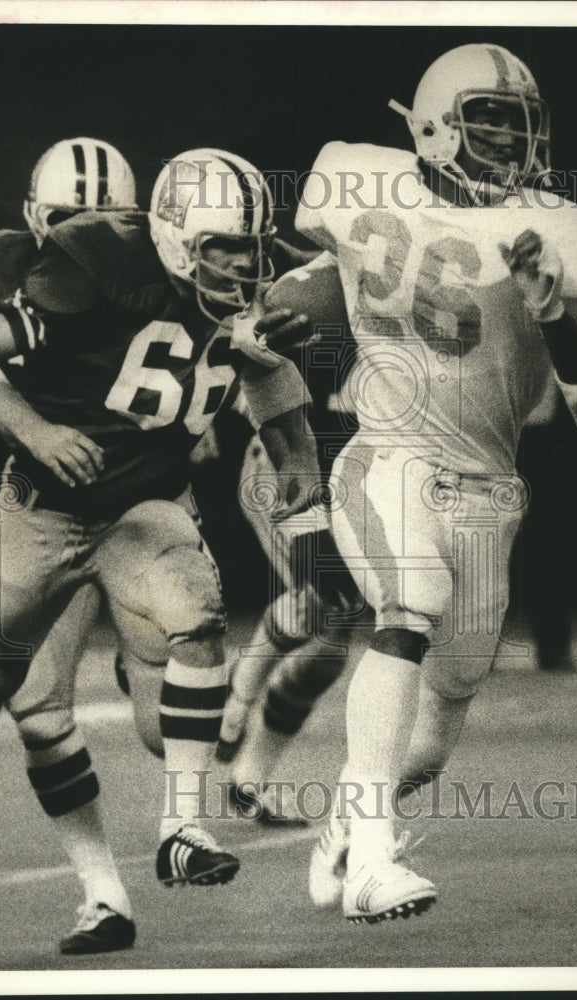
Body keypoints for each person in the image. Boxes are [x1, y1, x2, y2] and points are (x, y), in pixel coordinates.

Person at [293, 43, 577, 924]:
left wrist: (552, 314)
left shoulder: (563, 233)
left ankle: (347, 819)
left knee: (434, 734)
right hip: (385, 452)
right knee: (405, 607)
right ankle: (370, 864)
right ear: (436, 119)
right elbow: (316, 276)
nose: (504, 139)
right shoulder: (353, 176)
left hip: (487, 489)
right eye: (485, 118)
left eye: (517, 124)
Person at [0, 148, 320, 914]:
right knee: (4, 681)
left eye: (251, 246)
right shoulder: (78, 275)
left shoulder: (242, 296)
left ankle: (180, 829)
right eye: (223, 247)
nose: (243, 264)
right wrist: (22, 453)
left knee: (197, 620)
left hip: (144, 506)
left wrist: (300, 470)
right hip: (42, 505)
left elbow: (265, 375)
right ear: (168, 236)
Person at [0, 137, 144, 954]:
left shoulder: (157, 293)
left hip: (134, 510)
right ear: (32, 223)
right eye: (63, 226)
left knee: (165, 707)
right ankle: (104, 896)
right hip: (42, 511)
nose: (78, 248)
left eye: (99, 228)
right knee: (35, 700)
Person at [215, 252, 364, 823]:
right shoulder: (313, 299)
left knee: (327, 652)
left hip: (347, 481)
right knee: (326, 600)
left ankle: (249, 778)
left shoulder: (409, 297)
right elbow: (240, 366)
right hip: (287, 473)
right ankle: (239, 692)